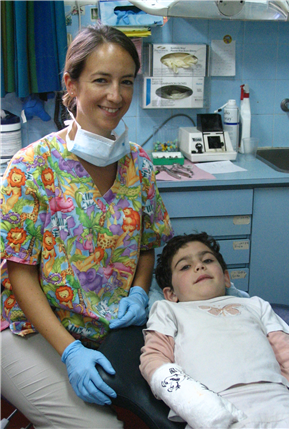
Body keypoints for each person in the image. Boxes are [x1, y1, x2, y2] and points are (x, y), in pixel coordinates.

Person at [0, 24, 173, 429]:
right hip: (32, 328)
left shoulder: (139, 164)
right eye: (101, 80)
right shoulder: (32, 167)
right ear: (71, 84)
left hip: (111, 325)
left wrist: (136, 290)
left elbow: (146, 243)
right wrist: (69, 352)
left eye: (125, 82)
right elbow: (18, 271)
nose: (115, 95)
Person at [140, 232, 289, 429]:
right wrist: (197, 403)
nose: (199, 266)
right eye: (185, 266)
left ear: (226, 278)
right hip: (216, 413)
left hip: (286, 408)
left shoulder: (256, 306)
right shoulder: (168, 310)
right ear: (171, 293)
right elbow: (154, 359)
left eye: (207, 260)